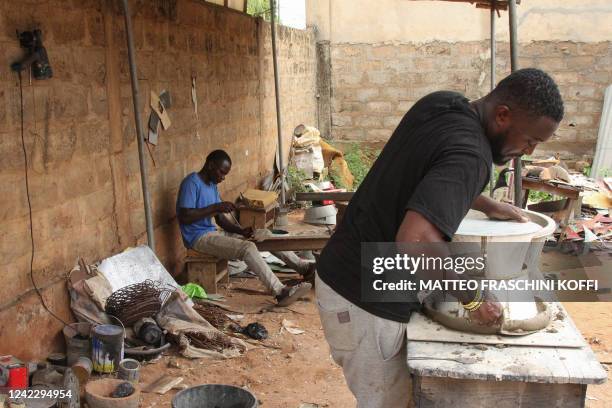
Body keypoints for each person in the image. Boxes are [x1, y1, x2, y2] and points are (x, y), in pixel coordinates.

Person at [316, 68, 564, 407]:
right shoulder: (472, 154)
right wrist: (473, 298)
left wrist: (485, 202)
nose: (530, 152)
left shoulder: (443, 104)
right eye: (531, 141)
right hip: (362, 301)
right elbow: (415, 239)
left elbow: (425, 170)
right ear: (503, 116)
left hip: (345, 273)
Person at [176, 150, 313, 306]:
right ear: (210, 165)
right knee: (247, 248)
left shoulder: (212, 186)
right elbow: (184, 216)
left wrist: (242, 231)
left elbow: (220, 219)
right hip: (198, 238)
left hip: (213, 233)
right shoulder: (191, 183)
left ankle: (304, 267)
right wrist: (215, 206)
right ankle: (280, 292)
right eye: (221, 172)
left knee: (262, 235)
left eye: (225, 174)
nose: (223, 178)